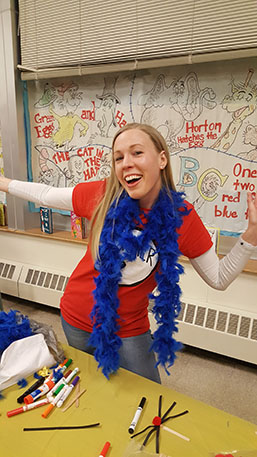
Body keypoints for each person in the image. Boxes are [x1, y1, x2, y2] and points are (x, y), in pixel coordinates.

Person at [0, 123, 257, 383]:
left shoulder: (182, 217)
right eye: (119, 157)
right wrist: (4, 183)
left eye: (137, 153)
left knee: (147, 392)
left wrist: (250, 237)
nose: (126, 163)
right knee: (91, 388)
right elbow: (45, 194)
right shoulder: (104, 195)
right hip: (78, 316)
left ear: (161, 159)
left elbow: (218, 278)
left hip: (129, 327)